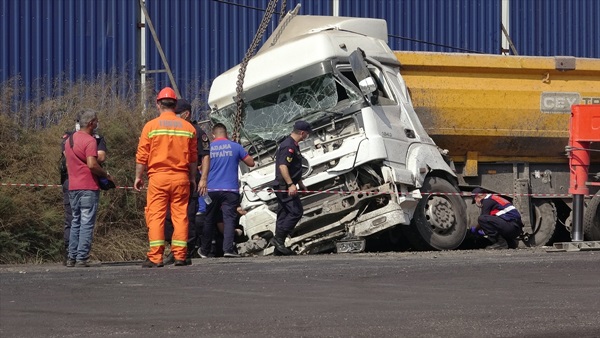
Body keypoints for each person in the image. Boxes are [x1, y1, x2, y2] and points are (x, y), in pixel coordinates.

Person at [134, 87, 198, 268]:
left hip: (158, 178)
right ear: (175, 105)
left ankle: (155, 257)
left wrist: (138, 177)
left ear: (158, 104)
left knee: (156, 216)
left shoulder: (151, 126)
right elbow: (193, 158)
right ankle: (180, 255)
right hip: (181, 178)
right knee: (180, 216)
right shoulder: (188, 127)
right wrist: (192, 178)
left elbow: (142, 156)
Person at [162, 98, 210, 265]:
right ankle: (174, 248)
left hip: (191, 179)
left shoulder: (196, 131)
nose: (173, 116)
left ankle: (184, 251)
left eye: (176, 113)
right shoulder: (172, 129)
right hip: (172, 178)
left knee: (187, 215)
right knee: (168, 216)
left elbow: (205, 156)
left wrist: (203, 179)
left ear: (186, 114)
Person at [64, 110, 113, 267]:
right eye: (96, 121)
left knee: (75, 221)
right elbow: (92, 164)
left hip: (73, 186)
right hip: (88, 186)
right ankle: (82, 257)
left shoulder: (69, 140)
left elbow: (67, 163)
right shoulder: (90, 141)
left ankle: (71, 257)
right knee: (86, 222)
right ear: (91, 123)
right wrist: (106, 175)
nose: (97, 124)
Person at [199, 123, 254, 258]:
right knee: (229, 219)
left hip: (210, 190)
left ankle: (204, 250)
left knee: (209, 219)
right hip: (230, 190)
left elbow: (200, 168)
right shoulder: (235, 147)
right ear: (226, 133)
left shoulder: (209, 148)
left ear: (213, 135)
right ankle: (228, 249)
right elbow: (251, 162)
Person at [270, 120, 312, 256]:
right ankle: (278, 240)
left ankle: (278, 249)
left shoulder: (294, 145)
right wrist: (290, 184)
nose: (307, 136)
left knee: (283, 215)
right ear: (302, 133)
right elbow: (283, 166)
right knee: (296, 212)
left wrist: (300, 184)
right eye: (307, 134)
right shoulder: (288, 146)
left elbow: (294, 168)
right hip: (284, 186)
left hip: (288, 185)